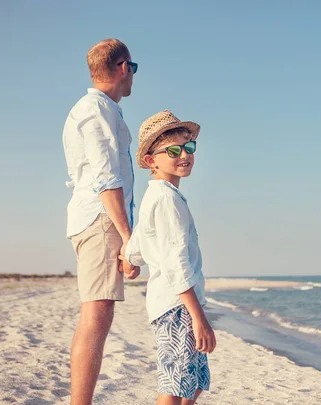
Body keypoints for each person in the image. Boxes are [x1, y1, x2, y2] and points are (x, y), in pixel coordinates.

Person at [62, 38, 140, 405]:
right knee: (96, 314)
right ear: (123, 67)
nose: (133, 78)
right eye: (133, 69)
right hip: (100, 218)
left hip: (94, 217)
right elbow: (107, 179)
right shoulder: (98, 110)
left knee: (97, 312)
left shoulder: (97, 109)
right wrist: (128, 237)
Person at [124, 110, 215, 405]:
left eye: (189, 147)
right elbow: (177, 263)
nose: (184, 155)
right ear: (151, 160)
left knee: (195, 382)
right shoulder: (166, 200)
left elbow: (137, 243)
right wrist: (198, 317)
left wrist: (130, 261)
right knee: (176, 385)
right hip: (178, 306)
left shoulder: (159, 196)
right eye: (173, 150)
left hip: (175, 303)